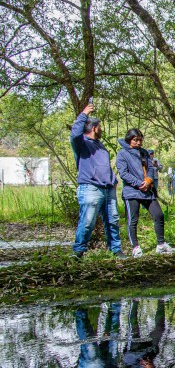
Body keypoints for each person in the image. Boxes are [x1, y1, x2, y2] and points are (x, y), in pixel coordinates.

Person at [70, 103, 125, 259]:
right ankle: (78, 252)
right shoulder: (81, 143)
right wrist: (84, 114)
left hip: (108, 189)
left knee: (113, 220)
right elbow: (74, 134)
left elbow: (104, 165)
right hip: (90, 188)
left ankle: (116, 250)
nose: (101, 129)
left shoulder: (100, 146)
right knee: (87, 221)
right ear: (94, 128)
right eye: (100, 127)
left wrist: (113, 179)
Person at [116, 129, 175, 257]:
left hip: (147, 190)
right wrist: (139, 183)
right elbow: (123, 173)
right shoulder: (122, 153)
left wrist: (148, 180)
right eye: (135, 140)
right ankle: (135, 247)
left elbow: (150, 168)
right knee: (133, 219)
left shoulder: (144, 152)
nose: (138, 142)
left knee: (158, 214)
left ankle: (161, 244)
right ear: (129, 140)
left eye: (140, 140)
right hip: (131, 191)